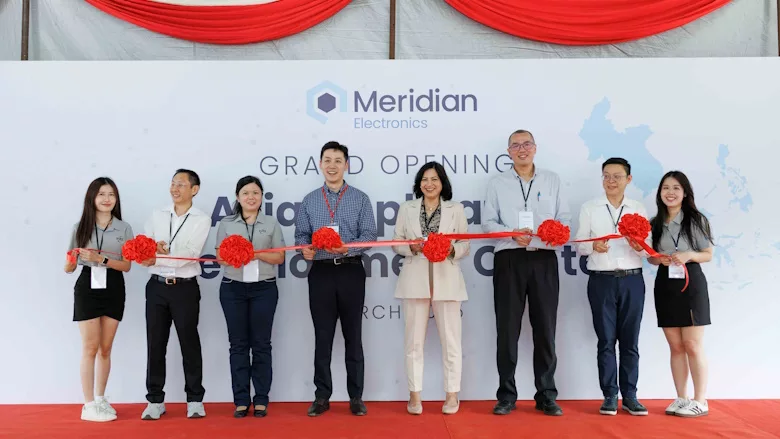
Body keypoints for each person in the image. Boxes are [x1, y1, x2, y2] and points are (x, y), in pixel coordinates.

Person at [483, 129, 571, 416]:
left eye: (527, 144)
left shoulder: (552, 180)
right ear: (508, 152)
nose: (522, 149)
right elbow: (487, 223)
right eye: (516, 145)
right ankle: (506, 395)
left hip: (543, 259)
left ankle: (546, 394)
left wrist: (551, 235)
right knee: (507, 330)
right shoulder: (497, 183)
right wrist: (510, 235)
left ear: (535, 148)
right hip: (509, 259)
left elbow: (564, 219)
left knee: (545, 329)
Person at [294, 141, 377, 417]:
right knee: (323, 336)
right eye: (327, 160)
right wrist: (304, 249)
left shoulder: (360, 198)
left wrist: (348, 247)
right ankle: (322, 396)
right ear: (320, 164)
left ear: (346, 165)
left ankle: (356, 396)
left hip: (351, 269)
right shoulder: (309, 200)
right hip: (321, 273)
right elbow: (301, 237)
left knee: (354, 336)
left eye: (338, 160)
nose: (332, 165)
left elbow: (369, 235)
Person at [392, 162, 470, 415]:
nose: (429, 184)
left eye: (434, 179)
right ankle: (415, 396)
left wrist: (451, 249)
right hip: (415, 278)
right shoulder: (407, 208)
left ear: (442, 182)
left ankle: (452, 395)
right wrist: (410, 248)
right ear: (418, 184)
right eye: (424, 179)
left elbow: (465, 244)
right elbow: (397, 242)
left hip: (447, 277)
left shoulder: (456, 209)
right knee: (413, 343)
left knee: (451, 342)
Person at [574, 158, 650, 416]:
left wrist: (639, 245)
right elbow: (580, 243)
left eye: (617, 176)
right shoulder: (590, 208)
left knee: (630, 342)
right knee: (606, 341)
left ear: (628, 179)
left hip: (632, 279)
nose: (611, 181)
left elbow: (647, 248)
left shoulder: (638, 208)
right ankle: (609, 395)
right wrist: (592, 246)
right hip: (601, 280)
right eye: (606, 176)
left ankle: (630, 395)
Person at [139, 169, 211, 420]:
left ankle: (194, 399)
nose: (174, 188)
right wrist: (151, 253)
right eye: (172, 183)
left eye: (181, 184)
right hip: (156, 287)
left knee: (189, 343)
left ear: (194, 189)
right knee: (155, 344)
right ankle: (155, 400)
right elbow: (144, 254)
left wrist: (160, 250)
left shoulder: (201, 219)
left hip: (185, 288)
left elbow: (189, 255)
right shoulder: (157, 215)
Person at [215, 176, 285, 418]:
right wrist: (237, 255)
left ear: (261, 196)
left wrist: (255, 254)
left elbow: (280, 258)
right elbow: (220, 257)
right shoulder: (226, 223)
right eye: (246, 193)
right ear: (238, 197)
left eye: (256, 192)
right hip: (233, 288)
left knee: (262, 345)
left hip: (264, 289)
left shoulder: (271, 223)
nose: (251, 197)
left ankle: (262, 398)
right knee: (238, 345)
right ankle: (241, 400)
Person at [65, 177, 133, 422]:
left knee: (106, 349)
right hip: (87, 287)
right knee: (90, 348)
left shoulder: (124, 228)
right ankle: (88, 404)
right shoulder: (80, 227)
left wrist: (100, 259)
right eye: (102, 194)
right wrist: (73, 259)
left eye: (111, 195)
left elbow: (126, 266)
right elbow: (68, 268)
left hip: (114, 286)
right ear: (92, 198)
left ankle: (101, 399)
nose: (107, 199)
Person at [648, 171, 714, 418]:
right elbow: (652, 258)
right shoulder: (655, 222)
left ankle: (700, 400)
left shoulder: (695, 220)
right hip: (665, 284)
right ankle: (681, 398)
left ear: (685, 192)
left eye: (676, 188)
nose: (670, 192)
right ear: (660, 193)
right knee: (675, 346)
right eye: (666, 188)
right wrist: (658, 259)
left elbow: (707, 253)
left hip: (691, 284)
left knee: (693, 345)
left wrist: (688, 255)